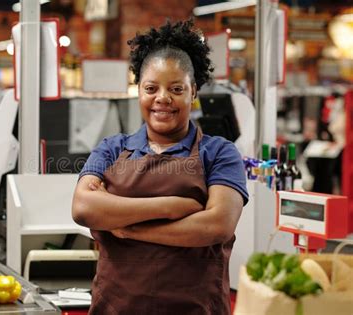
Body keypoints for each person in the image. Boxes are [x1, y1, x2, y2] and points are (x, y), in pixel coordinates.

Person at [72, 19, 248, 315]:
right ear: (139, 90)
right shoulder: (112, 148)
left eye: (176, 89)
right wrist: (172, 206)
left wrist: (127, 228)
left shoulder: (219, 153)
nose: (162, 98)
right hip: (116, 307)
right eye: (151, 88)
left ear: (193, 92)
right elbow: (83, 208)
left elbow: (216, 225)